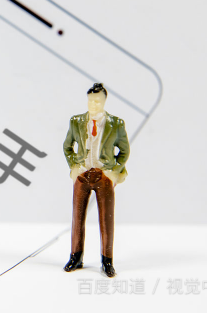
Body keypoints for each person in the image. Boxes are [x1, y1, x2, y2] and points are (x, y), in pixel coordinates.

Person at [62, 83, 130, 277]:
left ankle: (107, 260)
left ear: (104, 101)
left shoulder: (116, 124)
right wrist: (74, 167)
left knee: (106, 219)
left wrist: (113, 172)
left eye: (97, 101)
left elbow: (124, 151)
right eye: (91, 101)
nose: (93, 104)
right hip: (83, 176)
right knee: (77, 218)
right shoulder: (76, 121)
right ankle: (76, 256)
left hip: (103, 176)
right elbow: (67, 147)